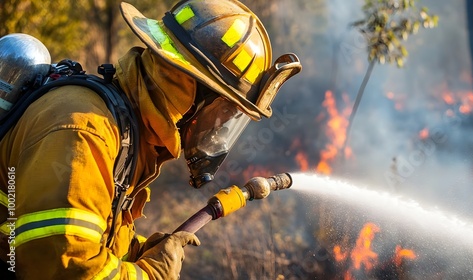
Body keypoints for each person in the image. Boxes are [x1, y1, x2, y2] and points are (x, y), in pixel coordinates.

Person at [0, 0, 301, 279]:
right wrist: (148, 275)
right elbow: (61, 264)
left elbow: (89, 236)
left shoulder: (125, 131)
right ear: (187, 88)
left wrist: (137, 252)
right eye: (225, 110)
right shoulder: (87, 130)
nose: (221, 124)